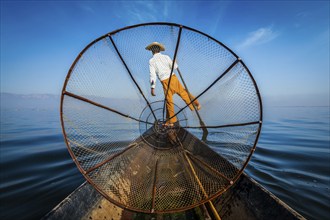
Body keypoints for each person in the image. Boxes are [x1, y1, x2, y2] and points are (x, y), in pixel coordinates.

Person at [146, 42, 201, 126]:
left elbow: (152, 75)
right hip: (173, 78)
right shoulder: (166, 57)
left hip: (164, 81)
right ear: (159, 50)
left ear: (152, 51)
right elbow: (174, 67)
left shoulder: (151, 61)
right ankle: (196, 104)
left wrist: (152, 88)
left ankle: (171, 121)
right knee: (183, 93)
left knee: (169, 101)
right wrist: (175, 62)